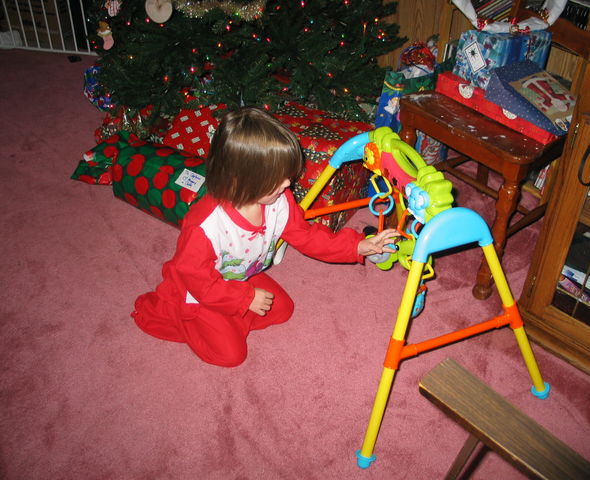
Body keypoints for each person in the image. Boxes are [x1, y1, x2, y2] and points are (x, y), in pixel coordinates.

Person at [132, 107, 397, 367]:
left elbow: (307, 236)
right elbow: (198, 281)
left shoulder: (279, 200)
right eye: (278, 179)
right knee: (231, 356)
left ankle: (228, 318)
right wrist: (244, 299)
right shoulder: (205, 226)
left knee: (282, 310)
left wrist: (357, 245)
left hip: (239, 276)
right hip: (199, 291)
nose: (288, 184)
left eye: (287, 176)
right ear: (241, 180)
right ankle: (183, 315)